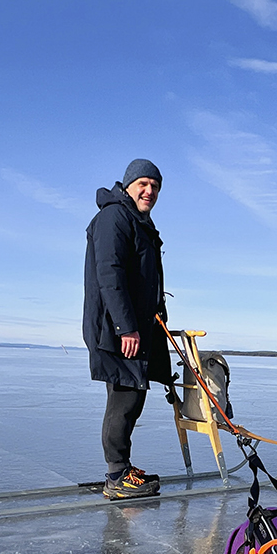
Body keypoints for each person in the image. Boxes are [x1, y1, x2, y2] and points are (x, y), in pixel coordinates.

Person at [83, 160, 173, 499]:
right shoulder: (114, 218)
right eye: (143, 184)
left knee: (131, 398)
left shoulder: (136, 221)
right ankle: (117, 476)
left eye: (155, 186)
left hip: (132, 327)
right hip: (116, 330)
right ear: (128, 184)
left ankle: (122, 467)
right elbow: (110, 274)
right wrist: (126, 327)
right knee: (125, 399)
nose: (149, 191)